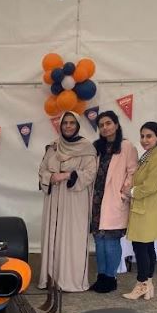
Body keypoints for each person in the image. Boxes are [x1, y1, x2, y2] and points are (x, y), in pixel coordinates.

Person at [38, 111, 97, 292]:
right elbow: (42, 171)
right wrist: (51, 176)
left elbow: (90, 173)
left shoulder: (87, 148)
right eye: (65, 123)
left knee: (72, 237)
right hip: (54, 200)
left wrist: (69, 175)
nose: (68, 126)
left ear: (78, 126)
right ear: (61, 125)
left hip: (75, 200)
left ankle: (71, 280)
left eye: (72, 123)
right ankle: (51, 279)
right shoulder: (53, 147)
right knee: (53, 237)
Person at [90, 111, 138, 293]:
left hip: (114, 200)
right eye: (101, 125)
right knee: (99, 241)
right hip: (97, 200)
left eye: (108, 123)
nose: (105, 127)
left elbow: (133, 172)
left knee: (110, 242)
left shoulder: (126, 146)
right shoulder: (97, 147)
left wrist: (123, 194)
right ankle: (101, 276)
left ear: (117, 125)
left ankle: (111, 278)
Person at [122, 121, 157, 301]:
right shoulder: (149, 155)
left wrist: (130, 191)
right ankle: (147, 284)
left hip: (147, 209)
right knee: (147, 247)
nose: (144, 139)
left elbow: (150, 186)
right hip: (144, 209)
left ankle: (142, 283)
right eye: (142, 136)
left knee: (141, 248)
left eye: (149, 136)